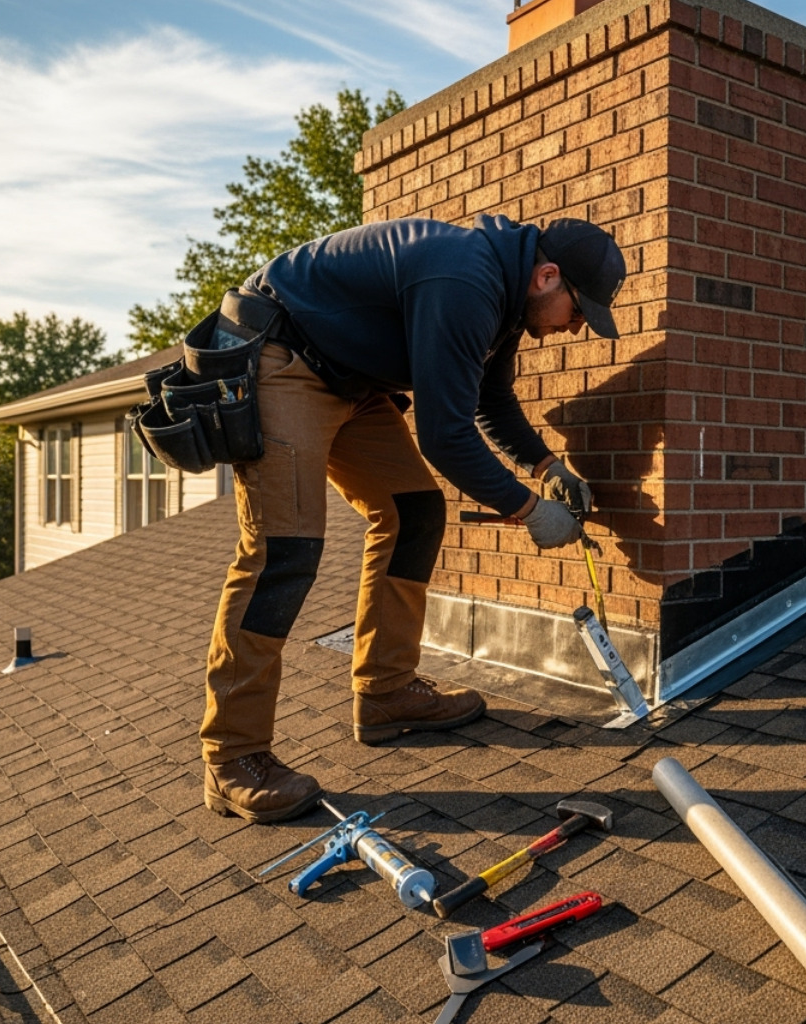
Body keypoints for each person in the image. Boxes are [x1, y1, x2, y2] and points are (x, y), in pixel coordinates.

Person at [201, 214, 626, 823]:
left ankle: (385, 693)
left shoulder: (505, 297)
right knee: (283, 552)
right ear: (547, 276)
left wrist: (544, 465)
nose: (574, 326)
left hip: (350, 379)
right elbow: (445, 435)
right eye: (578, 310)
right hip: (283, 356)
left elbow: (491, 401)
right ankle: (232, 757)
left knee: (415, 512)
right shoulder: (467, 279)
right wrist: (531, 512)